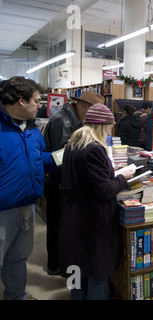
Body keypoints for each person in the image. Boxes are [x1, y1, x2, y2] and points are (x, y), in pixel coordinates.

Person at [59, 103, 135, 300]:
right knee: (98, 275)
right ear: (102, 126)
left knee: (77, 273)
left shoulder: (73, 144)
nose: (109, 132)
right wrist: (123, 176)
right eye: (109, 128)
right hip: (93, 223)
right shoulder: (94, 149)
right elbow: (105, 190)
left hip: (74, 219)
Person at [0, 76, 58, 300]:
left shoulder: (32, 129)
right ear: (20, 101)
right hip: (3, 210)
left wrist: (67, 154)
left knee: (18, 258)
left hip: (28, 206)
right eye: (36, 101)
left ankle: (16, 296)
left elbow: (40, 159)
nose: (40, 105)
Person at [43, 90, 105, 276]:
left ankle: (59, 262)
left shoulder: (71, 119)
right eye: (93, 112)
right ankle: (55, 263)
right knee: (57, 224)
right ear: (83, 106)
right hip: (57, 183)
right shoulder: (64, 121)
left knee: (60, 223)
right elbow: (63, 157)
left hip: (61, 182)